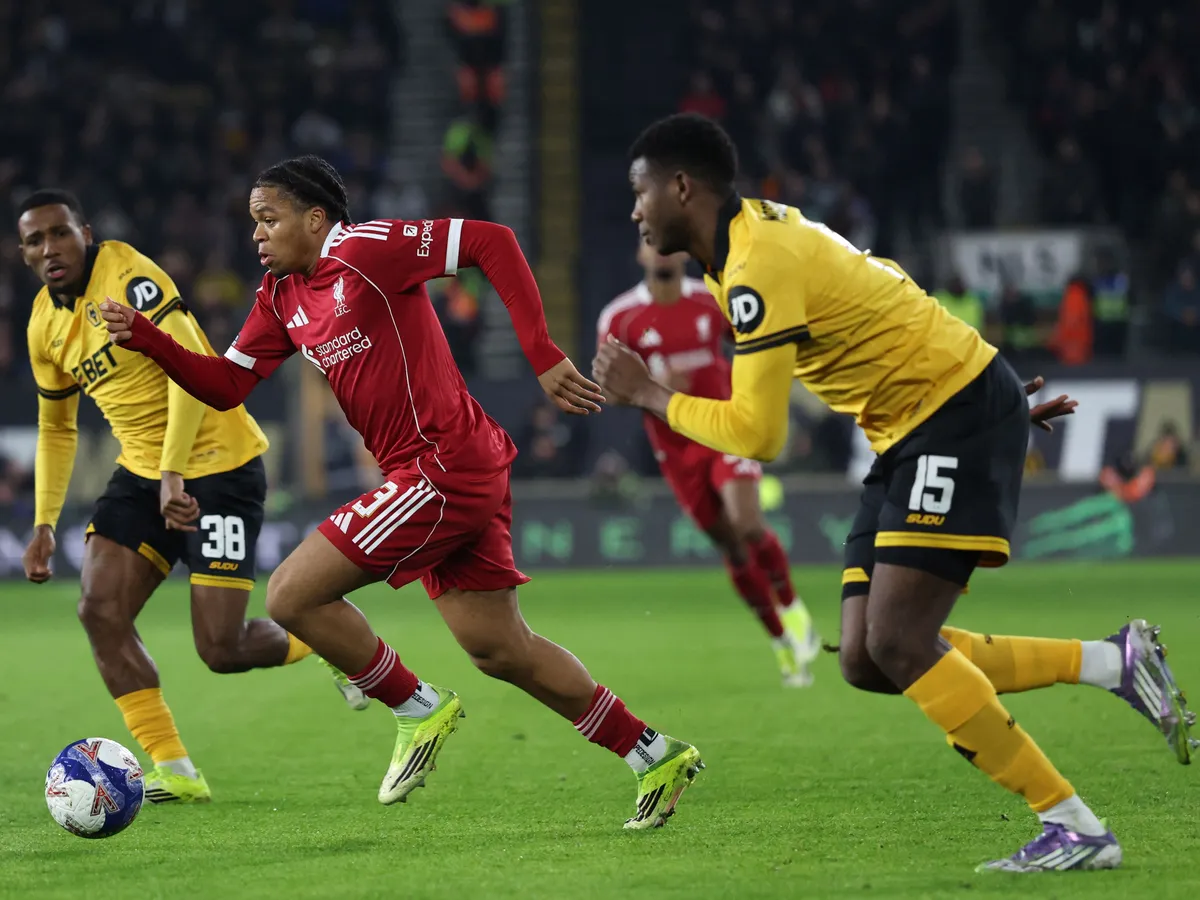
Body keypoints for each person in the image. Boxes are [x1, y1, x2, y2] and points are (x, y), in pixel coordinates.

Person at [593, 113, 1196, 871]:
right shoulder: (746, 248)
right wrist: (984, 389)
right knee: (866, 656)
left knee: (900, 640)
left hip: (944, 416)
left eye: (640, 192)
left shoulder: (754, 264)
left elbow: (758, 434)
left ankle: (1075, 826)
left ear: (682, 187)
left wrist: (649, 394)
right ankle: (1115, 663)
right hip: (920, 421)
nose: (635, 211)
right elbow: (876, 283)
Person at [100, 155, 703, 830]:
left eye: (269, 219)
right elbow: (225, 386)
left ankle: (417, 707)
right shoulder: (280, 296)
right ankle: (654, 754)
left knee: (291, 595)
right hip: (437, 471)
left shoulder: (365, 250)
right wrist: (147, 338)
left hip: (442, 463)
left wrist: (540, 352)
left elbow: (492, 241)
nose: (257, 234)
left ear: (315, 218)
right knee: (499, 648)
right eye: (254, 222)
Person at [16, 189, 354, 805]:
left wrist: (175, 472)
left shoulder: (129, 277)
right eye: (35, 240)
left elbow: (192, 366)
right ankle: (174, 768)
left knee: (221, 649)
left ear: (84, 233)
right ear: (24, 254)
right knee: (99, 610)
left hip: (220, 464)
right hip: (142, 473)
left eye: (60, 233)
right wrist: (43, 522)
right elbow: (57, 428)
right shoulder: (44, 323)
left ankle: (325, 641)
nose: (50, 248)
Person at [598, 243, 818, 685]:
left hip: (724, 428)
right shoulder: (620, 318)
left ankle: (793, 608)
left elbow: (754, 343)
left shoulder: (712, 298)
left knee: (747, 523)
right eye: (649, 244)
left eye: (666, 245)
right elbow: (607, 389)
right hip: (676, 451)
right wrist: (653, 385)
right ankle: (781, 642)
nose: (659, 252)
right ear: (639, 255)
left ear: (682, 254)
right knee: (731, 546)